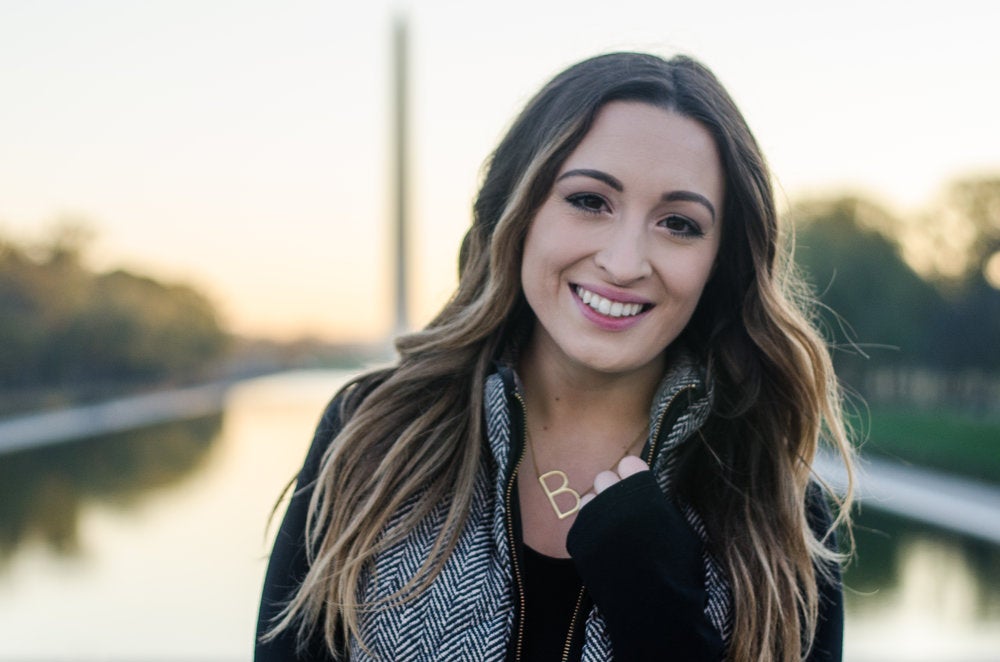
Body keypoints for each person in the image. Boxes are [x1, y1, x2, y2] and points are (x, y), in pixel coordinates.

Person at [255, 51, 854, 662]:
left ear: (720, 261)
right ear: (519, 212)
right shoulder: (376, 435)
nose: (624, 263)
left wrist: (666, 622)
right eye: (590, 201)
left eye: (678, 223)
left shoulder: (783, 516)